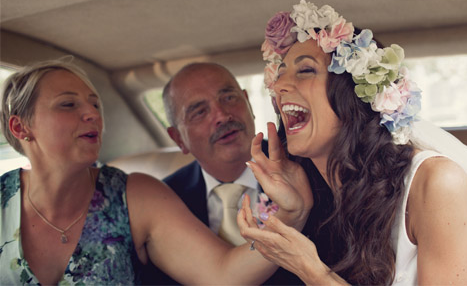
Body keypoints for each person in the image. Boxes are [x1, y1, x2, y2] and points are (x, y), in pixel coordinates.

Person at [237, 0, 467, 285]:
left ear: (352, 97)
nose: (279, 85)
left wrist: (312, 270)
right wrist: (295, 210)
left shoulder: (437, 182)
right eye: (280, 73)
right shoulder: (320, 196)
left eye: (306, 70)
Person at [0, 59, 311, 285]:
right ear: (20, 127)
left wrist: (290, 215)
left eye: (95, 104)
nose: (91, 113)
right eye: (68, 104)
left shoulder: (136, 196)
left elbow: (222, 274)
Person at [141, 62, 342, 285]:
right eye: (199, 111)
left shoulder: (312, 171)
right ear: (178, 138)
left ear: (248, 102)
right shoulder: (166, 201)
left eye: (229, 98)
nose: (221, 116)